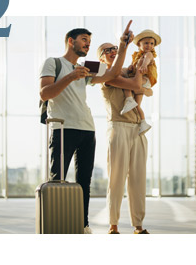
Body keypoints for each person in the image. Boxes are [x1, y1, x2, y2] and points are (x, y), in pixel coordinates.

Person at [39, 20, 134, 234]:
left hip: (87, 129)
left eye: (90, 42)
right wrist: (72, 76)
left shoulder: (86, 68)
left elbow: (112, 74)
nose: (88, 45)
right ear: (71, 41)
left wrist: (124, 46)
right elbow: (45, 93)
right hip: (62, 128)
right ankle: (57, 225)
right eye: (84, 40)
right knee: (58, 180)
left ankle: (83, 225)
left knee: (84, 182)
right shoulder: (53, 63)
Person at [97, 40, 153, 234]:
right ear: (101, 57)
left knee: (138, 178)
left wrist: (142, 65)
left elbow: (144, 87)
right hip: (118, 127)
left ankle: (138, 225)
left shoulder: (128, 70)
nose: (112, 51)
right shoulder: (105, 75)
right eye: (107, 50)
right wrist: (139, 73)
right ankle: (113, 225)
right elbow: (137, 84)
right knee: (116, 178)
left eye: (114, 48)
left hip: (138, 128)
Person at [120, 29, 161, 135]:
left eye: (152, 43)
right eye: (146, 43)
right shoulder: (136, 56)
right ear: (139, 44)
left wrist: (143, 65)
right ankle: (143, 122)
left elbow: (147, 60)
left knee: (127, 82)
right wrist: (130, 67)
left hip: (145, 79)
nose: (149, 46)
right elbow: (133, 65)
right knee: (137, 105)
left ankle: (129, 99)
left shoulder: (149, 54)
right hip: (141, 81)